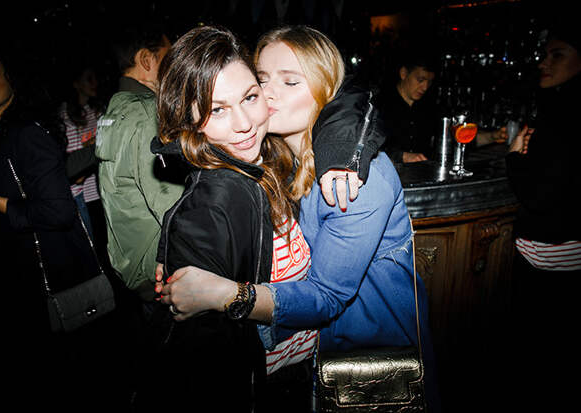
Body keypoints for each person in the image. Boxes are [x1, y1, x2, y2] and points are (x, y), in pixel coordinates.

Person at [157, 25, 440, 412]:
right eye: (262, 80)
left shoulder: (355, 179)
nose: (269, 94)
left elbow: (327, 297)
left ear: (327, 92)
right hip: (311, 365)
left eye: (290, 81)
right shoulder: (277, 159)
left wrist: (225, 294)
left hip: (367, 361)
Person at [135, 25, 300, 412]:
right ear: (188, 121)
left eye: (249, 97)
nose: (243, 123)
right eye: (217, 110)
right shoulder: (215, 202)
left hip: (294, 375)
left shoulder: (268, 161)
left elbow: (339, 95)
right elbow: (208, 363)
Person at [0, 39, 114, 410]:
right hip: (11, 272)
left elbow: (58, 212)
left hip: (42, 278)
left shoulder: (24, 133)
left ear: (12, 77)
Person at [504, 13, 581, 410]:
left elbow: (539, 196)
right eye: (544, 54)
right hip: (569, 250)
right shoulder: (563, 110)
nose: (543, 63)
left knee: (536, 360)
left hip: (549, 253)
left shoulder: (563, 117)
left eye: (557, 54)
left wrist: (514, 157)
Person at [96, 24, 182, 303]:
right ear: (147, 60)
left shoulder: (114, 110)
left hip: (131, 263)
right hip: (161, 270)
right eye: (169, 57)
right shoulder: (147, 112)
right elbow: (174, 211)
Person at [379, 45, 506, 164]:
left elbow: (457, 138)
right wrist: (401, 156)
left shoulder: (429, 108)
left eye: (429, 82)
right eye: (420, 80)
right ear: (403, 73)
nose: (425, 87)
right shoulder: (380, 105)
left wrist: (492, 137)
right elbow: (369, 148)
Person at [59, 63, 104, 242]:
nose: (94, 83)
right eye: (88, 79)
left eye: (95, 78)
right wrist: (94, 147)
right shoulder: (66, 117)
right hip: (83, 196)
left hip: (102, 190)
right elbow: (76, 171)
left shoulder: (96, 110)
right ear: (76, 84)